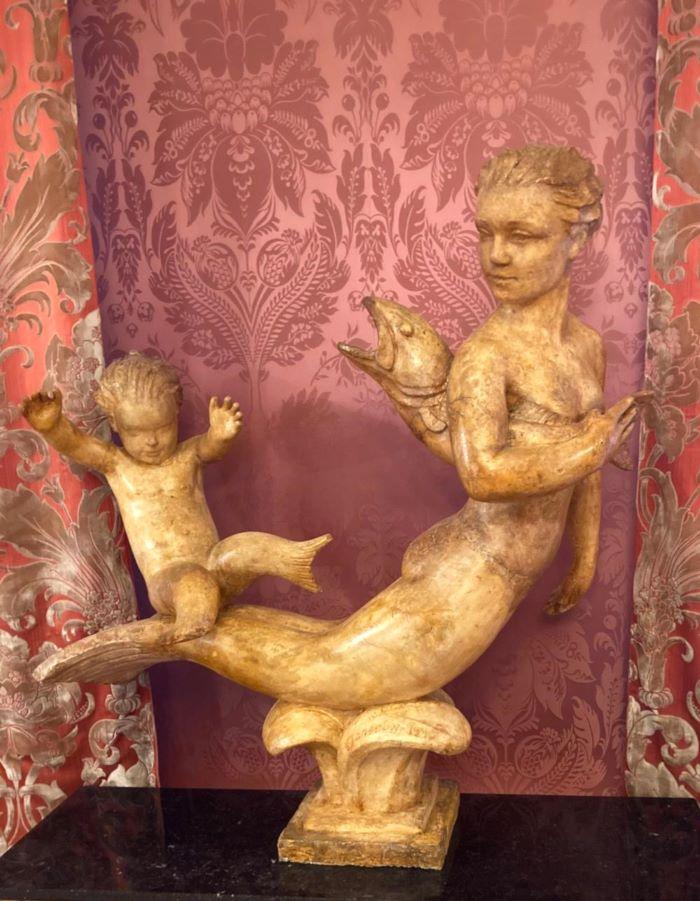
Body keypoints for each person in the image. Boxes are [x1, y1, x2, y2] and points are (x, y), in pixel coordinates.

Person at [23, 353, 330, 643]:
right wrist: (52, 426)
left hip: (216, 564)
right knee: (194, 583)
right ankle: (190, 629)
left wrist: (221, 434)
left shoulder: (187, 455)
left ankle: (298, 559)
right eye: (137, 432)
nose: (152, 441)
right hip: (169, 581)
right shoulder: (118, 465)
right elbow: (77, 445)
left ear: (176, 415)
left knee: (242, 548)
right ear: (115, 424)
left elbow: (210, 448)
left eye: (163, 427)